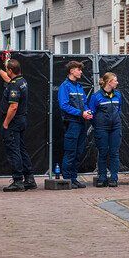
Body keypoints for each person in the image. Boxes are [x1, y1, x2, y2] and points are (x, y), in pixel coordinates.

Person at [0, 59, 36, 192]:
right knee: (21, 149)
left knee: (13, 150)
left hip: (13, 122)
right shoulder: (22, 81)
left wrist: (6, 123)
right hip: (22, 120)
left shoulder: (15, 85)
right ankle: (30, 179)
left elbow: (13, 106)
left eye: (7, 70)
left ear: (10, 71)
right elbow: (9, 80)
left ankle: (18, 181)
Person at [57, 61, 92, 189]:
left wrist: (88, 112)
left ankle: (73, 178)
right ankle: (67, 179)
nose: (81, 72)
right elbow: (64, 105)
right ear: (72, 71)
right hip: (71, 123)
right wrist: (80, 113)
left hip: (82, 123)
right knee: (70, 152)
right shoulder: (64, 86)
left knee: (79, 152)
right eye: (79, 69)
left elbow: (85, 103)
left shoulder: (79, 86)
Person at [87, 72, 123, 187]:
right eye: (115, 80)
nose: (117, 82)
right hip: (101, 129)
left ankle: (113, 178)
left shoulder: (118, 95)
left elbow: (119, 110)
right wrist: (98, 124)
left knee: (114, 153)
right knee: (102, 152)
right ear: (109, 82)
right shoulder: (96, 96)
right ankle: (102, 177)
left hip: (115, 128)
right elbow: (91, 113)